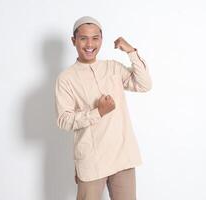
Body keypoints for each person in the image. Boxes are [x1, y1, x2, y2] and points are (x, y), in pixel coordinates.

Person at [55, 16, 152, 200]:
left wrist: (131, 52)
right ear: (73, 40)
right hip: (91, 160)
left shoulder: (112, 68)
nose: (89, 44)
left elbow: (144, 84)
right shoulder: (66, 79)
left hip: (122, 156)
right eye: (83, 38)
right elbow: (64, 121)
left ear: (101, 39)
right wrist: (97, 112)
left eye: (95, 38)